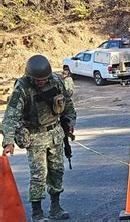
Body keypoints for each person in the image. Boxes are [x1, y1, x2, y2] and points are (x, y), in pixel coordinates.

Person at [2, 55, 76, 221]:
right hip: (35, 137)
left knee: (57, 171)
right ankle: (37, 213)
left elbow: (67, 101)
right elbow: (10, 116)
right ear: (30, 76)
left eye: (44, 79)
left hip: (55, 134)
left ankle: (55, 207)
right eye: (38, 80)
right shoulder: (22, 88)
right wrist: (8, 141)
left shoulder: (55, 81)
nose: (41, 82)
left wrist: (71, 120)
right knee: (39, 176)